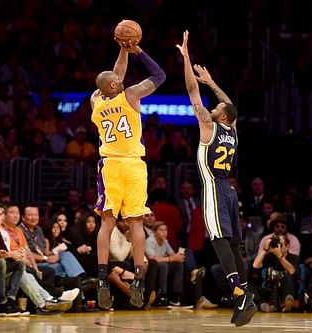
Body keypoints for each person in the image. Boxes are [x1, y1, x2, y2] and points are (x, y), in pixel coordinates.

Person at [176, 30, 256, 327]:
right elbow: (230, 104)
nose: (213, 105)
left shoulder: (208, 126)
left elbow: (190, 90)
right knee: (234, 244)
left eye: (217, 107)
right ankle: (246, 295)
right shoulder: (233, 130)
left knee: (219, 240)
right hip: (230, 189)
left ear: (220, 116)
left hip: (213, 187)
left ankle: (238, 293)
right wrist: (212, 83)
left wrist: (186, 57)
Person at [90, 35, 165, 310]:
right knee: (136, 223)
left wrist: (123, 48)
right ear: (115, 85)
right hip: (133, 165)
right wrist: (138, 51)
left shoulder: (96, 100)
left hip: (110, 165)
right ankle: (138, 280)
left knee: (107, 223)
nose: (120, 79)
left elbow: (115, 76)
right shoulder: (132, 95)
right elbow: (160, 74)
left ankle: (101, 279)